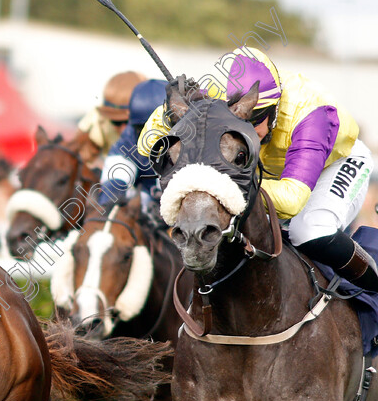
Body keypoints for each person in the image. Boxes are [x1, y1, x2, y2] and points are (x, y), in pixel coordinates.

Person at [138, 47, 375, 291]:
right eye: (238, 122)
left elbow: (292, 199)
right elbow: (145, 147)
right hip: (267, 172)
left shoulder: (312, 114)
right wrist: (170, 116)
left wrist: (219, 189)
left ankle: (373, 290)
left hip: (334, 163)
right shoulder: (214, 95)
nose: (248, 133)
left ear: (273, 109)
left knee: (309, 229)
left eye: (254, 120)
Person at [97, 79, 168, 209]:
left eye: (156, 128)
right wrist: (109, 200)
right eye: (141, 128)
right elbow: (115, 180)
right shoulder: (129, 139)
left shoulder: (198, 140)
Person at [74, 71, 147, 169]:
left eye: (128, 122)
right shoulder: (97, 121)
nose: (122, 129)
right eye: (116, 122)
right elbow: (79, 163)